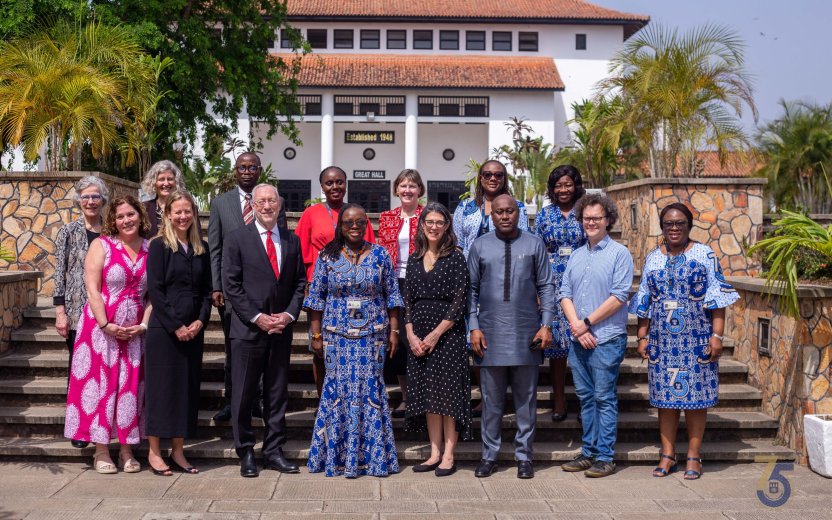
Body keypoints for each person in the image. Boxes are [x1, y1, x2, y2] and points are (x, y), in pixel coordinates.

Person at [630, 202, 739, 480]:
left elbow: (718, 297)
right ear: (662, 227)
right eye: (669, 224)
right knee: (665, 400)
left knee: (696, 400)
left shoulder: (705, 255)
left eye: (680, 223)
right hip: (662, 341)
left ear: (689, 226)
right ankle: (667, 454)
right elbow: (645, 300)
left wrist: (717, 335)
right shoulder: (653, 257)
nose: (674, 228)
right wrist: (642, 336)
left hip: (697, 337)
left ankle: (693, 455)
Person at [304, 203, 402, 478]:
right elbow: (315, 299)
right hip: (336, 336)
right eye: (349, 222)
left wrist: (394, 331)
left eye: (360, 221)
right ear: (341, 226)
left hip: (374, 336)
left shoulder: (381, 255)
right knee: (337, 392)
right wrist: (316, 335)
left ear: (367, 224)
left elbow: (392, 296)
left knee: (371, 391)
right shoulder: (327, 256)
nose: (355, 226)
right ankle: (335, 458)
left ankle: (374, 459)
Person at [63, 195, 152, 474]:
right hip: (101, 332)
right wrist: (105, 325)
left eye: (131, 214)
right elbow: (92, 288)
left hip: (134, 333)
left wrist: (144, 325)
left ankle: (127, 449)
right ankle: (101, 450)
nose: (126, 220)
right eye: (120, 216)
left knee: (130, 389)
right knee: (102, 387)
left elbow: (154, 296)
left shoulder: (152, 248)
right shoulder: (102, 245)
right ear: (113, 220)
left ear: (140, 215)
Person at [468, 195, 555, 480]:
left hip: (526, 332)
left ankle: (524, 457)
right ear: (491, 215)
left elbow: (546, 286)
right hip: (489, 334)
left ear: (519, 214)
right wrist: (473, 326)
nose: (505, 216)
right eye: (499, 212)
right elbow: (470, 290)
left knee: (526, 400)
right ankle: (489, 455)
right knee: (491, 401)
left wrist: (546, 325)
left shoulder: (534, 244)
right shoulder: (480, 246)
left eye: (510, 212)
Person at [222, 183, 306, 478]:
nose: (267, 206)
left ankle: (273, 450)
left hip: (280, 330)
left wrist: (288, 314)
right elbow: (231, 285)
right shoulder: (236, 240)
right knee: (243, 394)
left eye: (272, 201)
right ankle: (245, 450)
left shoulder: (291, 240)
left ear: (280, 205)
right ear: (253, 206)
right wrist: (257, 317)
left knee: (276, 393)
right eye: (262, 201)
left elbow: (299, 283)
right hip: (247, 331)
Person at [208, 152, 287, 422]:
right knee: (235, 351)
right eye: (242, 167)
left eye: (252, 167)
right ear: (235, 171)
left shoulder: (275, 202)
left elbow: (280, 246)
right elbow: (215, 248)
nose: (246, 171)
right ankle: (234, 401)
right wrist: (216, 286)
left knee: (265, 348)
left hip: (266, 292)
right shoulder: (220, 203)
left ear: (259, 170)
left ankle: (260, 401)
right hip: (232, 293)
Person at [559, 193, 633, 478]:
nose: (590, 222)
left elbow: (619, 296)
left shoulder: (619, 254)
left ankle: (605, 456)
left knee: (603, 397)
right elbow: (564, 294)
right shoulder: (576, 255)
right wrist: (577, 326)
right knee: (586, 398)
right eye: (586, 218)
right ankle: (588, 452)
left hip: (607, 338)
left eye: (596, 218)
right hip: (580, 339)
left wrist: (587, 323)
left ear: (608, 220)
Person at [453, 159, 529, 417]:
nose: (493, 178)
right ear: (480, 178)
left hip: (508, 283)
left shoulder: (516, 207)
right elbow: (458, 245)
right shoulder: (465, 207)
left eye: (498, 174)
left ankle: (503, 397)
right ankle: (488, 397)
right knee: (474, 340)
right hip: (473, 281)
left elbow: (525, 243)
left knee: (507, 339)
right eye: (487, 174)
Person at [145, 191, 212, 476]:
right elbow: (156, 292)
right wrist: (176, 326)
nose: (183, 216)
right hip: (164, 331)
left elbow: (207, 291)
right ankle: (154, 453)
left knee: (185, 391)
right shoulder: (159, 246)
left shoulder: (201, 248)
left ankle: (179, 452)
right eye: (178, 212)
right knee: (161, 391)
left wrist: (200, 321)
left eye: (188, 211)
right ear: (168, 215)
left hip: (193, 332)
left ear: (194, 214)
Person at [296, 166, 375, 398]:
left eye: (339, 182)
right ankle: (325, 400)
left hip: (355, 291)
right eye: (329, 183)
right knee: (320, 348)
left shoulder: (356, 214)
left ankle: (353, 398)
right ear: (322, 186)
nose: (335, 187)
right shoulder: (311, 213)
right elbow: (299, 251)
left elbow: (370, 248)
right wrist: (303, 287)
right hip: (321, 290)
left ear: (346, 184)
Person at [404, 202, 471, 477]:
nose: (434, 227)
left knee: (448, 395)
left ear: (447, 227)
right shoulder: (414, 258)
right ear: (421, 225)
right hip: (417, 333)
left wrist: (435, 334)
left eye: (439, 223)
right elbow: (406, 299)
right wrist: (410, 333)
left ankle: (449, 455)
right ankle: (434, 452)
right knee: (429, 395)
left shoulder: (456, 257)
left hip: (447, 334)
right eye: (429, 222)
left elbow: (460, 301)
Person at [53, 175, 109, 449]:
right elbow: (59, 274)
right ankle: (79, 428)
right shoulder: (68, 231)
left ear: (103, 201)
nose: (90, 201)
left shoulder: (110, 231)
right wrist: (60, 311)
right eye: (85, 196)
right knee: (78, 369)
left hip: (104, 312)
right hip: (76, 311)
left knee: (101, 370)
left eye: (95, 196)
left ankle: (101, 422)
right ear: (78, 200)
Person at [533, 165, 587, 422]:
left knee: (581, 339)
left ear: (576, 185)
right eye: (559, 185)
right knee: (555, 345)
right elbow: (538, 251)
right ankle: (559, 398)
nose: (564, 189)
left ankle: (584, 398)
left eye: (568, 184)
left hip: (582, 280)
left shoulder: (586, 211)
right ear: (552, 188)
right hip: (552, 281)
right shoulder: (545, 215)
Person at [377, 169, 425, 419]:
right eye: (403, 186)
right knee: (398, 341)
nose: (407, 190)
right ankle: (406, 397)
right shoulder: (387, 217)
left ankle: (422, 396)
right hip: (394, 282)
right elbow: (383, 252)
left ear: (420, 190)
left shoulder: (428, 215)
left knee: (418, 337)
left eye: (412, 186)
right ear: (396, 189)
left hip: (422, 281)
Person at [140, 160, 186, 238]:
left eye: (170, 179)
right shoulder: (144, 208)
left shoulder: (188, 207)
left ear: (176, 182)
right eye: (161, 179)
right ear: (154, 182)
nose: (166, 183)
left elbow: (196, 237)